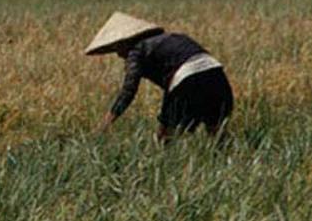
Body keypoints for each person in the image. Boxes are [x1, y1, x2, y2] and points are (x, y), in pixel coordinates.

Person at [85, 12, 234, 139]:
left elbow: (128, 90)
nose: (118, 54)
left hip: (186, 78)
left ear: (126, 41)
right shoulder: (174, 37)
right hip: (216, 73)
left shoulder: (136, 51)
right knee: (216, 130)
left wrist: (106, 123)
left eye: (117, 47)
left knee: (164, 136)